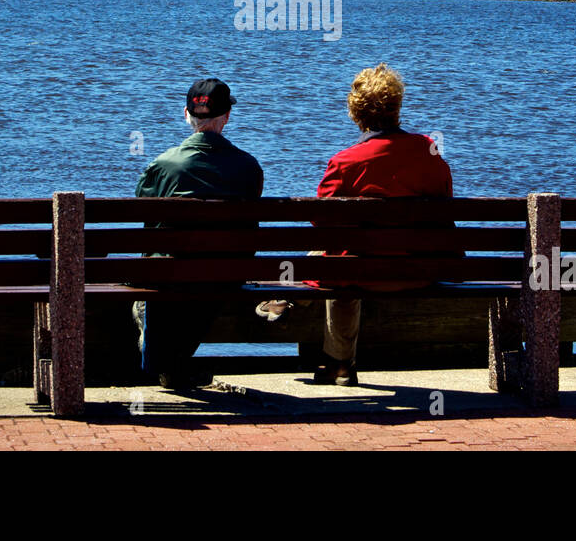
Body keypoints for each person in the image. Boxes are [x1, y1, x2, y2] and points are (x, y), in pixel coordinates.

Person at [256, 62, 453, 385]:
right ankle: (335, 362)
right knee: (346, 256)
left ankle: (296, 311)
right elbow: (444, 207)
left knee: (340, 258)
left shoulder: (346, 162)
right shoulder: (429, 152)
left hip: (359, 272)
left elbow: (322, 221)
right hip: (420, 271)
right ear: (396, 107)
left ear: (355, 111)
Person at [133, 77, 263, 389]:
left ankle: (160, 358)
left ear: (186, 115)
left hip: (171, 274)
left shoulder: (164, 164)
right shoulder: (249, 167)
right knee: (204, 271)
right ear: (227, 117)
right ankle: (173, 366)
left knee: (162, 263)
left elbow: (142, 209)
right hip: (225, 274)